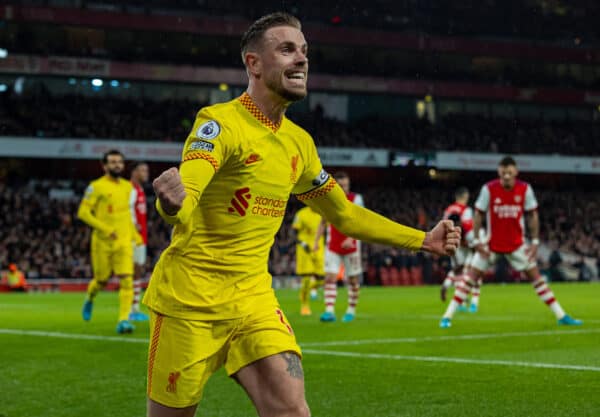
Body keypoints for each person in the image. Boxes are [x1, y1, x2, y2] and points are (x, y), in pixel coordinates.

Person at [143, 12, 460, 417]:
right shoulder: (219, 124)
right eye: (287, 49)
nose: (301, 59)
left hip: (253, 301)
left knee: (293, 411)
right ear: (253, 64)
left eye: (305, 51)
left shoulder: (299, 144)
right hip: (190, 301)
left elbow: (344, 214)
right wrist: (170, 204)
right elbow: (190, 188)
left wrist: (422, 240)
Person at [440, 156, 582, 328]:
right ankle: (447, 316)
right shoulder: (489, 189)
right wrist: (477, 241)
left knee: (537, 278)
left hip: (517, 245)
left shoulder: (525, 189)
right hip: (491, 245)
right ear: (499, 172)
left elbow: (532, 215)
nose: (506, 175)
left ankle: (561, 315)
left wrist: (536, 242)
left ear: (516, 172)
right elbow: (478, 214)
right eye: (503, 172)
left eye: (509, 172)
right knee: (471, 278)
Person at [77, 149, 142, 334]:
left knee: (127, 280)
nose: (117, 165)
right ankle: (90, 297)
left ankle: (123, 320)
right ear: (104, 166)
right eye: (113, 162)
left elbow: (127, 214)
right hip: (102, 242)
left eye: (119, 162)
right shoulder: (96, 186)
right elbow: (82, 213)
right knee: (101, 280)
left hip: (123, 242)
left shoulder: (128, 187)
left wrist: (135, 236)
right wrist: (105, 229)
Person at [315, 171, 364, 323]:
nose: (343, 188)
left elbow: (360, 221)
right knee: (330, 277)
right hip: (333, 245)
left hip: (352, 246)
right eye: (340, 185)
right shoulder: (328, 200)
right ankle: (329, 311)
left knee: (353, 280)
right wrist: (316, 242)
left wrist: (351, 238)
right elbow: (323, 222)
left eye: (345, 185)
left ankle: (350, 310)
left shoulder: (356, 199)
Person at [439, 187, 482, 312]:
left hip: (451, 242)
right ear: (465, 196)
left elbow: (443, 226)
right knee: (474, 270)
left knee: (458, 270)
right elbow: (468, 228)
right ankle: (472, 302)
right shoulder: (465, 210)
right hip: (465, 244)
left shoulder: (448, 210)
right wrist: (474, 244)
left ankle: (454, 293)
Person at [291, 204, 324, 316]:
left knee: (322, 278)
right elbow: (293, 232)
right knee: (306, 278)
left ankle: (306, 291)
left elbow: (327, 229)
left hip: (319, 248)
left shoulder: (322, 213)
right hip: (304, 248)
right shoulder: (301, 214)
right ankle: (304, 305)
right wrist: (302, 242)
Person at [129, 161, 150, 321]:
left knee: (138, 270)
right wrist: (133, 225)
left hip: (141, 237)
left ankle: (134, 307)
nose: (146, 173)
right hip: (133, 238)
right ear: (134, 172)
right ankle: (132, 308)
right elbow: (127, 208)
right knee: (134, 271)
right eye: (142, 170)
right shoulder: (130, 189)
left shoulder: (140, 189)